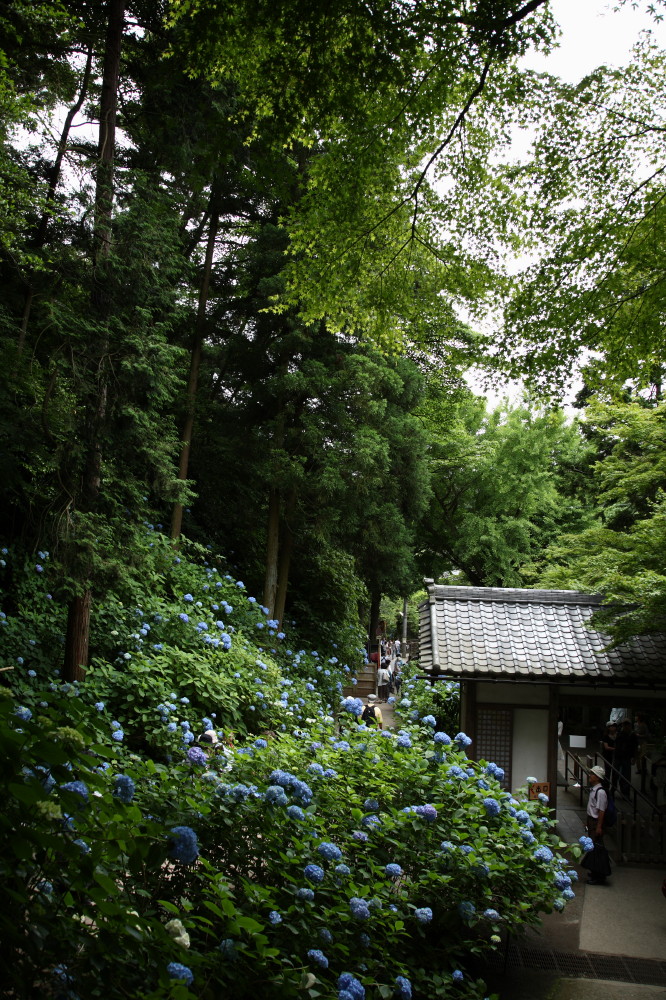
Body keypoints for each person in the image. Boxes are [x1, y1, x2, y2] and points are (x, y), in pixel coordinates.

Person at [584, 765, 611, 885]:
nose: (590, 776)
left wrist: (599, 826)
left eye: (592, 774)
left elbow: (601, 811)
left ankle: (599, 874)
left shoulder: (600, 793)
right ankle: (595, 872)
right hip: (592, 821)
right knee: (593, 847)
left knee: (596, 848)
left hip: (596, 822)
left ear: (597, 777)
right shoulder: (594, 790)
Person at [614, 719, 639, 797]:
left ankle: (626, 792)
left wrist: (634, 758)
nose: (625, 726)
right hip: (618, 756)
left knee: (626, 775)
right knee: (616, 774)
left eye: (627, 725)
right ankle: (614, 789)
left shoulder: (633, 735)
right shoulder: (619, 734)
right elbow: (616, 744)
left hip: (627, 757)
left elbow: (635, 747)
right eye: (624, 725)